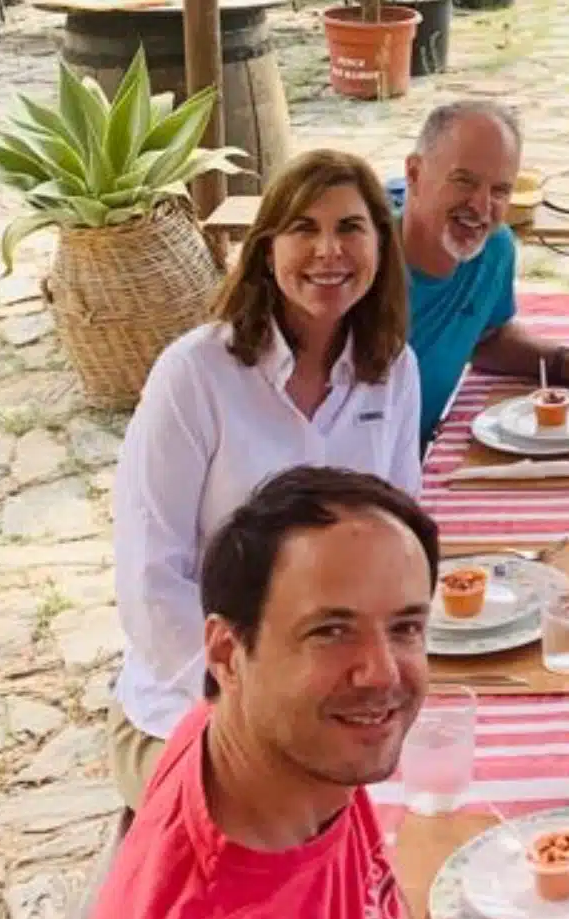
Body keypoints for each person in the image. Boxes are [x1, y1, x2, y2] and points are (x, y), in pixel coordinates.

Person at [109, 149, 423, 812]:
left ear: (380, 246)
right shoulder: (194, 375)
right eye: (303, 229)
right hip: (196, 702)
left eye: (350, 228)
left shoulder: (392, 369)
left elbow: (400, 549)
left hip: (334, 689)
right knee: (272, 822)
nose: (328, 250)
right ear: (266, 248)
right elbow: (148, 580)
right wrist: (252, 697)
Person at [83, 465, 437, 919]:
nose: (382, 672)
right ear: (227, 654)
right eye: (330, 632)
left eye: (405, 627)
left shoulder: (244, 736)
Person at [401, 99, 569, 440]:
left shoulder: (493, 247)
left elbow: (487, 338)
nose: (481, 206)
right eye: (463, 181)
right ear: (414, 174)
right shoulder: (361, 264)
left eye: (500, 190)